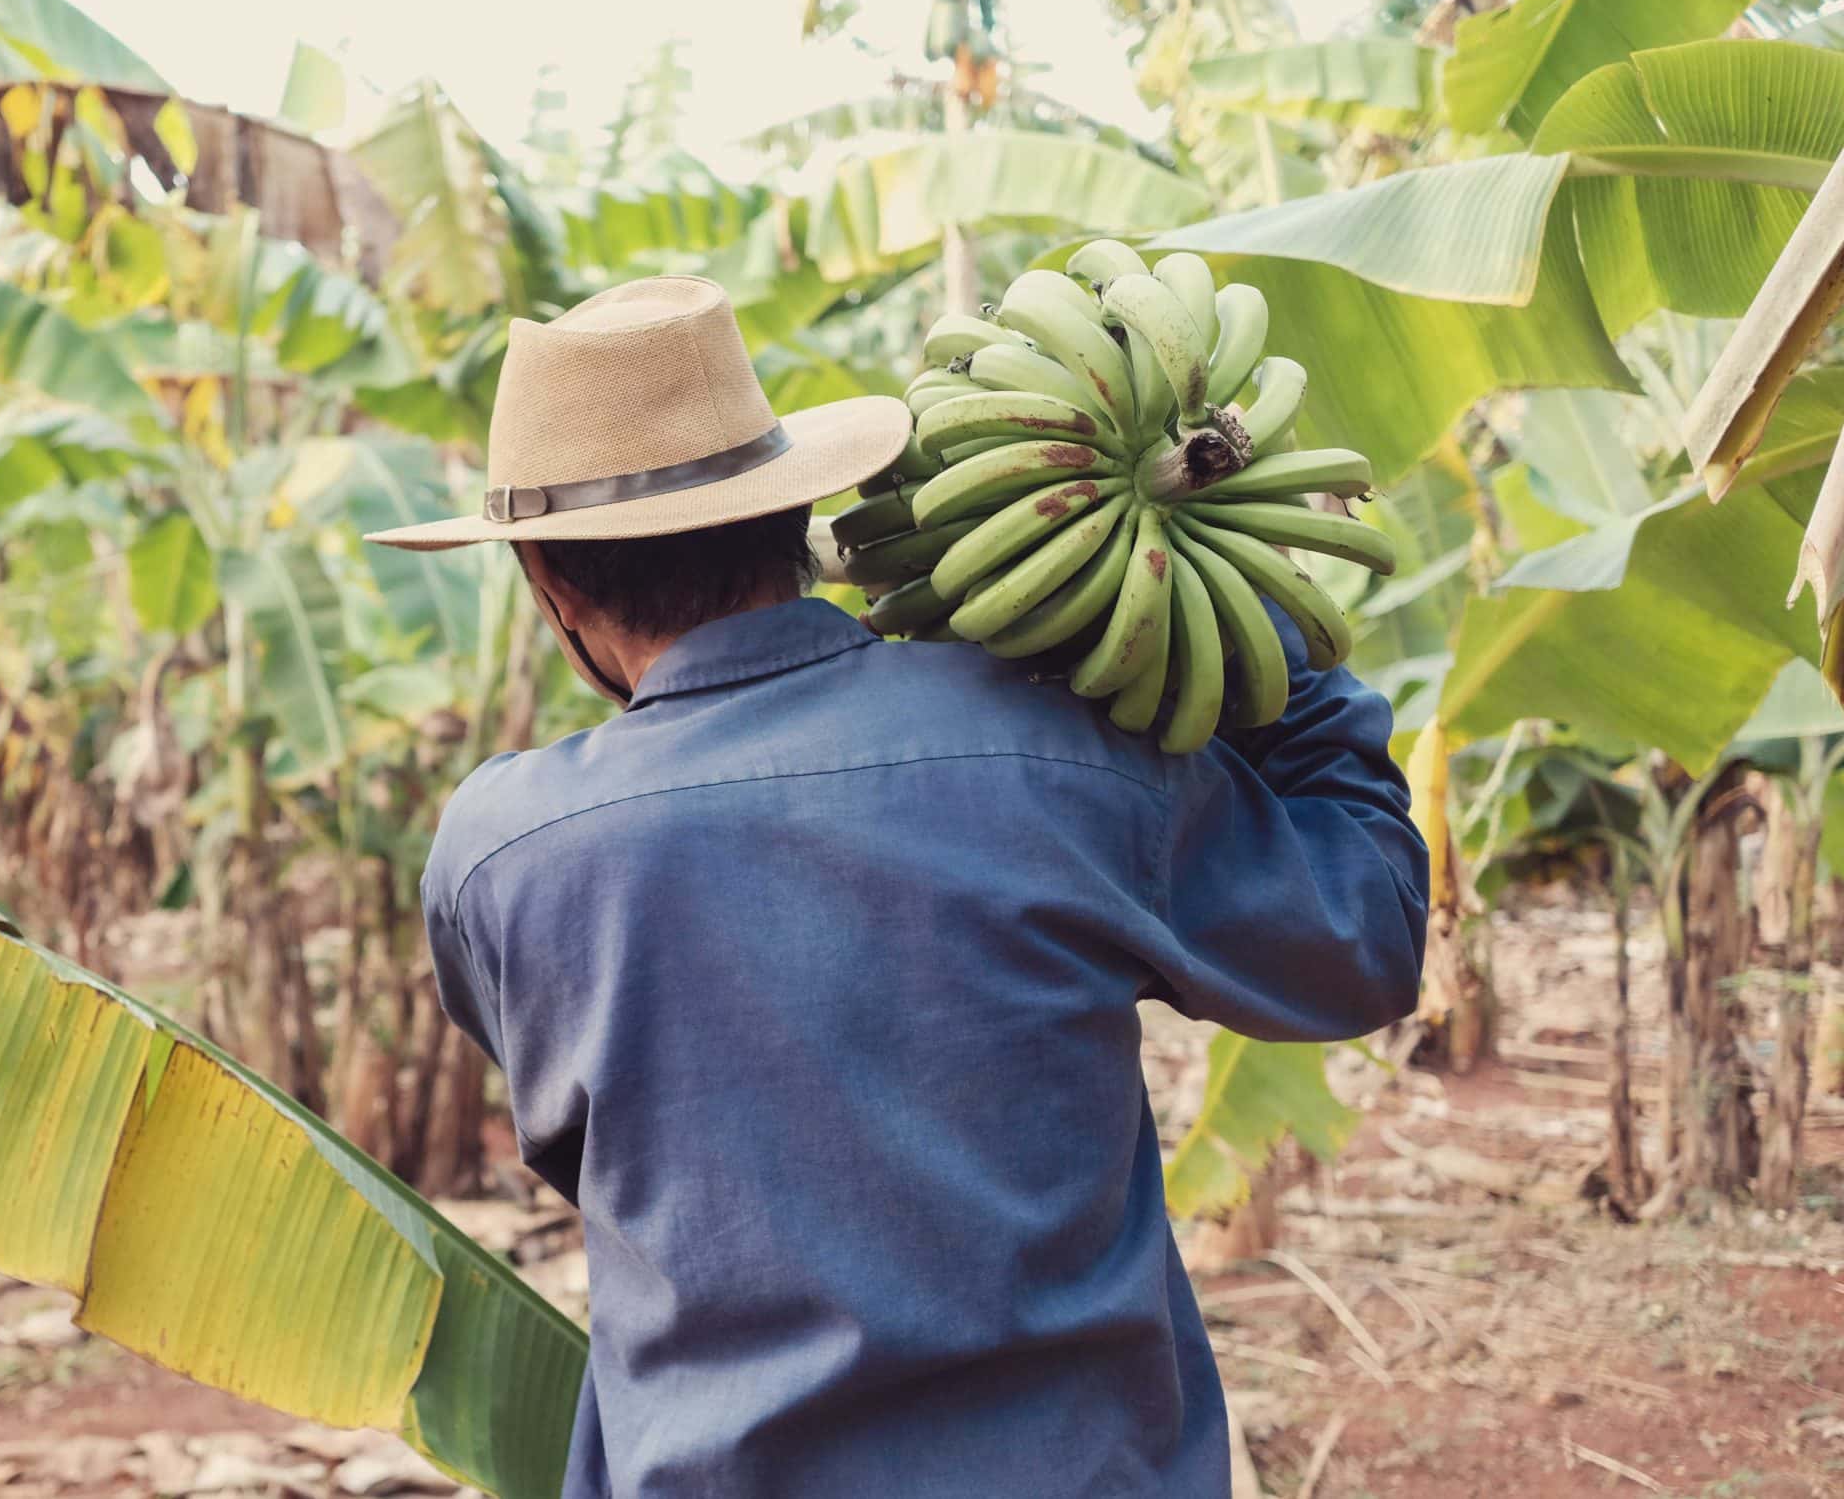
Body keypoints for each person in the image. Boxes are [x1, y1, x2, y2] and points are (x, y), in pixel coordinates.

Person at [367, 275, 1426, 1498]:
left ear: (550, 582)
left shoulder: (501, 854)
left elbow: (605, 1132)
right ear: (793, 513)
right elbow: (1367, 936)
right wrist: (1256, 629)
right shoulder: (1062, 753)